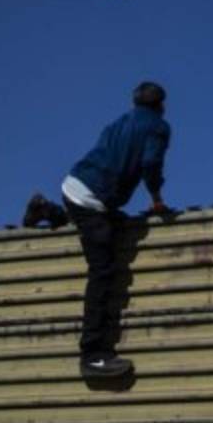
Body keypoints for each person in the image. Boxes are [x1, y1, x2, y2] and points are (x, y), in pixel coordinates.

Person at [62, 81, 173, 377]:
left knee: (107, 223)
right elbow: (151, 163)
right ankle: (93, 355)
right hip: (92, 200)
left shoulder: (119, 121)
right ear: (161, 105)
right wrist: (157, 198)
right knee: (102, 271)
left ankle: (46, 210)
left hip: (74, 185)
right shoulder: (158, 127)